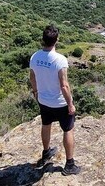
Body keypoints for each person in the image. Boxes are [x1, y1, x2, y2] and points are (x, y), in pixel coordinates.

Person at [29, 25, 81, 175]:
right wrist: (70, 103)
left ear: (42, 40)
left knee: (46, 124)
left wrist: (36, 92)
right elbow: (64, 85)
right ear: (56, 40)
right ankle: (69, 165)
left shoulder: (35, 57)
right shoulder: (60, 60)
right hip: (59, 102)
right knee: (68, 129)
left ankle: (46, 153)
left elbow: (32, 77)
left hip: (43, 100)